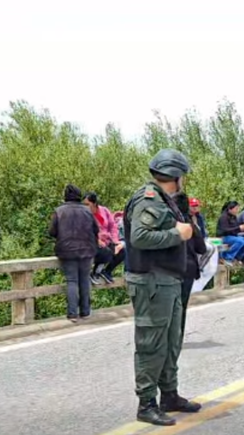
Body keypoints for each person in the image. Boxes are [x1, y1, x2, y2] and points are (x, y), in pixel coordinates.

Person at [123, 149, 201, 426]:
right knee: (152, 344)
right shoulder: (150, 199)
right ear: (176, 176)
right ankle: (146, 404)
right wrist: (176, 233)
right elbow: (140, 236)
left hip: (168, 280)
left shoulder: (166, 200)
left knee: (171, 342)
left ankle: (169, 395)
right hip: (151, 281)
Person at [49, 184, 99, 323]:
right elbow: (96, 229)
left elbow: (52, 232)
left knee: (72, 281)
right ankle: (85, 312)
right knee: (84, 280)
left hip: (66, 250)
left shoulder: (59, 211)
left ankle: (72, 314)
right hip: (86, 250)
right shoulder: (87, 211)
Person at [174, 192, 208, 339]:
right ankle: (178, 337)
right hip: (188, 267)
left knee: (168, 305)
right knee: (182, 305)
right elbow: (202, 248)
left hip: (168, 268)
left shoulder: (167, 221)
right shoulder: (190, 224)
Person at [83, 192, 125, 285]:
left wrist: (115, 241)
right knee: (106, 252)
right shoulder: (85, 215)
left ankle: (107, 271)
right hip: (93, 242)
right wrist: (97, 240)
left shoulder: (104, 210)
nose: (85, 207)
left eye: (87, 204)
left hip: (107, 240)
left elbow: (112, 226)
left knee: (122, 251)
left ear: (94, 203)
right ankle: (95, 273)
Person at [216, 201, 244, 266]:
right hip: (223, 237)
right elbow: (225, 230)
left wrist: (243, 226)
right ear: (230, 209)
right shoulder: (223, 217)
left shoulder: (234, 217)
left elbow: (235, 227)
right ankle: (227, 257)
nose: (237, 210)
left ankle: (237, 258)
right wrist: (239, 228)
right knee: (240, 241)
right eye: (236, 209)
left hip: (232, 236)